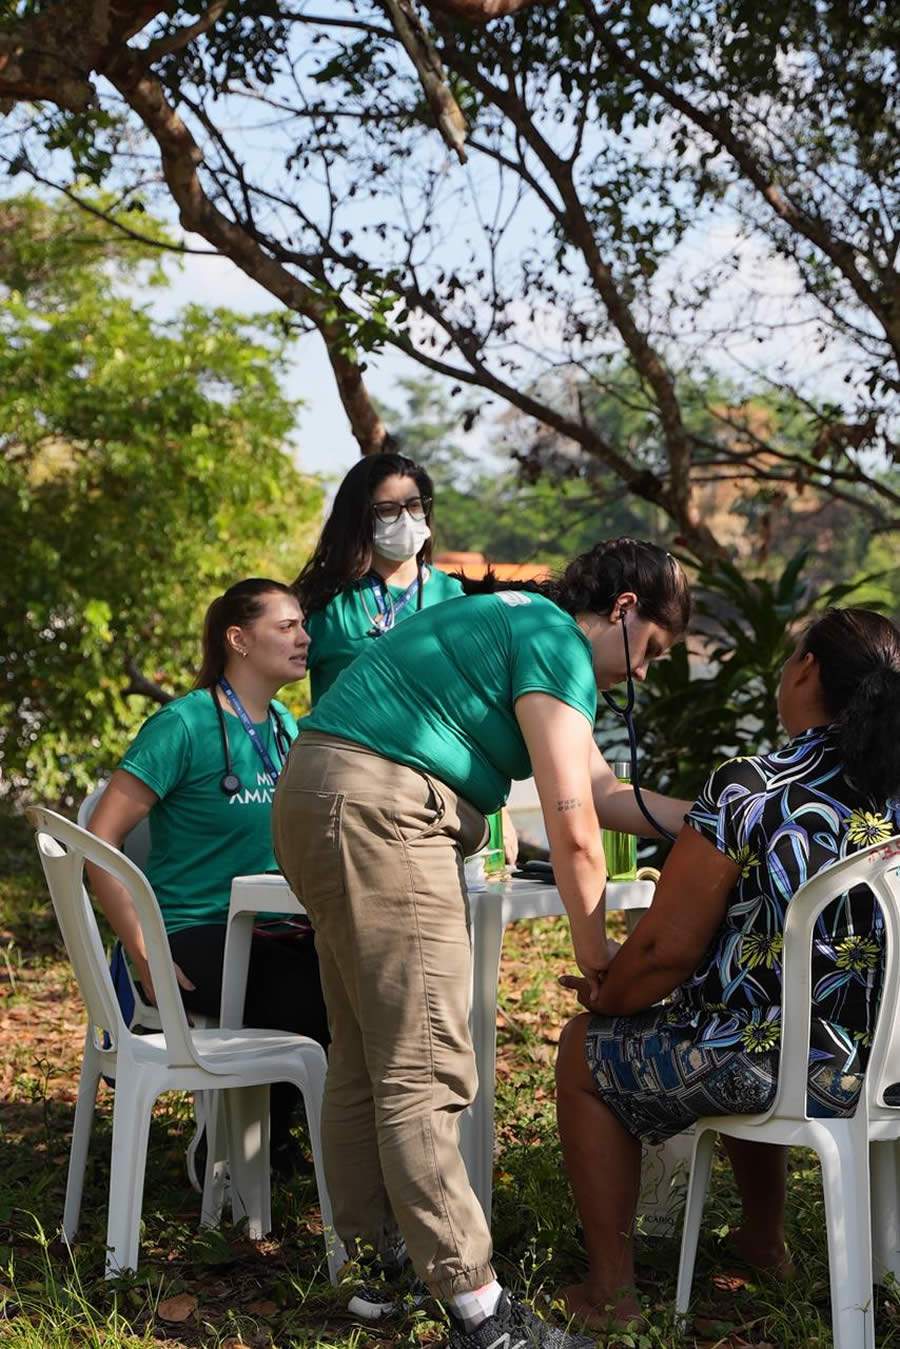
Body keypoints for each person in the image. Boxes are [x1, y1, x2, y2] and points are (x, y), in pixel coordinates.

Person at [272, 538, 692, 1348]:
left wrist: (712, 820)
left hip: (320, 792)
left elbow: (604, 792)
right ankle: (478, 1308)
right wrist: (596, 951)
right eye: (654, 651)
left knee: (365, 1055)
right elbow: (572, 831)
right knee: (428, 1060)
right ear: (626, 609)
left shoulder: (522, 624)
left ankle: (377, 1276)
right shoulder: (558, 642)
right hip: (384, 807)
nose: (643, 672)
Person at [555, 607, 900, 1331]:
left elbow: (663, 952)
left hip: (785, 1065)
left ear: (805, 669)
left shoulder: (754, 787)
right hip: (886, 1062)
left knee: (583, 1050)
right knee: (754, 1020)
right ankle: (762, 1239)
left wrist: (610, 995)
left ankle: (611, 1294)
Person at [87, 578, 329, 1172]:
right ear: (238, 640)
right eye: (287, 626)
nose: (304, 637)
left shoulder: (285, 728)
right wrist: (143, 952)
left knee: (363, 976)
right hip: (193, 932)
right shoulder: (184, 725)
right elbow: (97, 842)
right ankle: (238, 1147)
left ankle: (266, 1140)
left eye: (302, 625)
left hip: (276, 926)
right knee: (317, 995)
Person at [294, 452, 464, 705]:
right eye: (387, 510)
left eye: (415, 505)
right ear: (358, 517)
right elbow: (254, 681)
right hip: (344, 744)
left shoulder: (457, 597)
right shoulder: (324, 603)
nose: (405, 520)